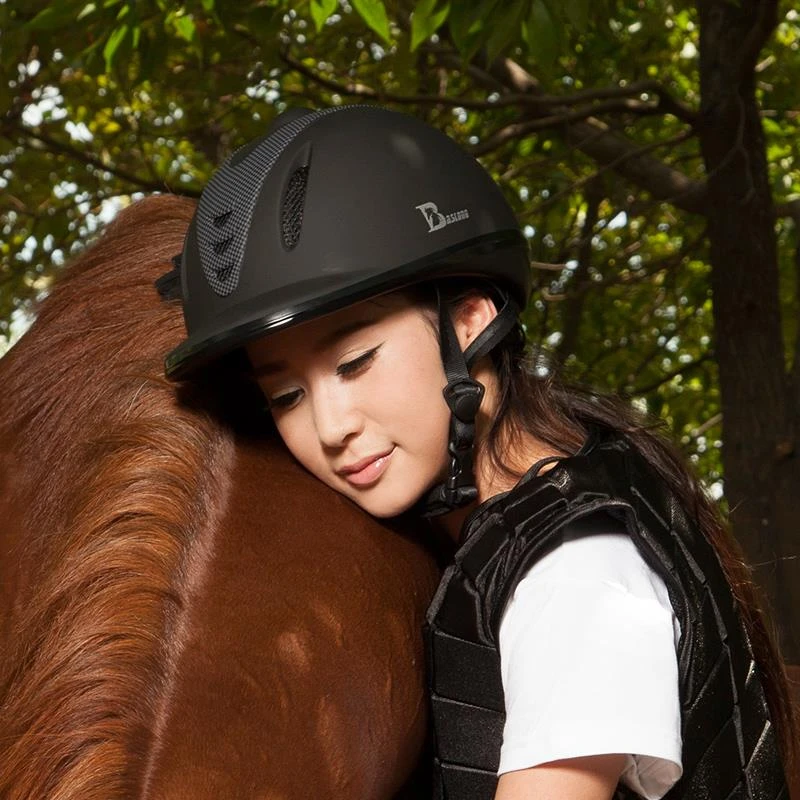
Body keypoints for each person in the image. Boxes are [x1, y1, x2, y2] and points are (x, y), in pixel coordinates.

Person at [160, 105, 797, 799]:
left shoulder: (578, 574)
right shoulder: (551, 495)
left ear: (469, 321)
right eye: (285, 396)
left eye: (354, 362)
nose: (331, 425)